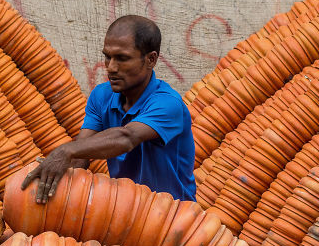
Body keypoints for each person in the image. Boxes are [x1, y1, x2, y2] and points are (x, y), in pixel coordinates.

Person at [22, 14, 196, 202]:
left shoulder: (168, 103)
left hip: (171, 212)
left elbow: (127, 137)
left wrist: (65, 150)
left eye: (122, 58)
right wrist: (50, 182)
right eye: (107, 57)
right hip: (122, 208)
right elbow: (81, 156)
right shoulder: (101, 96)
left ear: (151, 60)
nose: (111, 67)